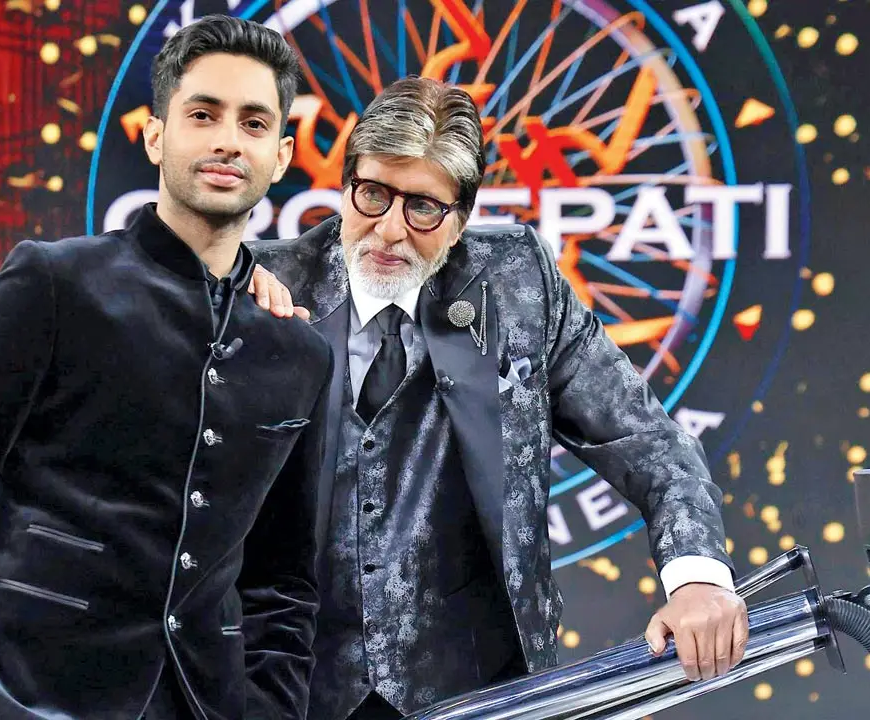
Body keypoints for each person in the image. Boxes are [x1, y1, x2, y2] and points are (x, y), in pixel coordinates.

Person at [250, 77, 748, 719]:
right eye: (372, 194)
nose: (390, 230)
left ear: (460, 219)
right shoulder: (258, 284)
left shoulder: (519, 285)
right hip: (286, 690)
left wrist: (698, 576)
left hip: (481, 688)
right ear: (345, 186)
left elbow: (649, 442)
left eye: (422, 207)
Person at [0, 15, 332, 720]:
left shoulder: (299, 352)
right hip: (30, 695)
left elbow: (284, 583)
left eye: (253, 123)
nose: (227, 140)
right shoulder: (53, 284)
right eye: (203, 114)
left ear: (281, 156)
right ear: (154, 136)